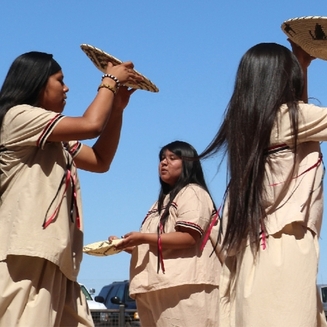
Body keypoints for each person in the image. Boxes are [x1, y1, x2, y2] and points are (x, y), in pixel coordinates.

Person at [0, 51, 143, 327]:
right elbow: (91, 126)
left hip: (57, 257)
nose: (66, 88)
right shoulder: (19, 117)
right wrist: (110, 80)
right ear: (37, 83)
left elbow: (100, 161)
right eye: (59, 80)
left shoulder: (57, 141)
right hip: (24, 255)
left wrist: (116, 111)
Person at [200, 42, 327, 327]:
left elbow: (300, 120)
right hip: (288, 245)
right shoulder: (291, 118)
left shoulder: (245, 124)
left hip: (253, 247)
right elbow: (301, 117)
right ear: (285, 78)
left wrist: (302, 64)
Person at [110, 140, 222, 327]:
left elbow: (188, 237)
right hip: (154, 286)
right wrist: (124, 244)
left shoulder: (193, 192)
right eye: (162, 158)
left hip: (185, 287)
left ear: (188, 163)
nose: (164, 162)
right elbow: (155, 245)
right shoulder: (159, 204)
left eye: (172, 158)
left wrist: (142, 237)